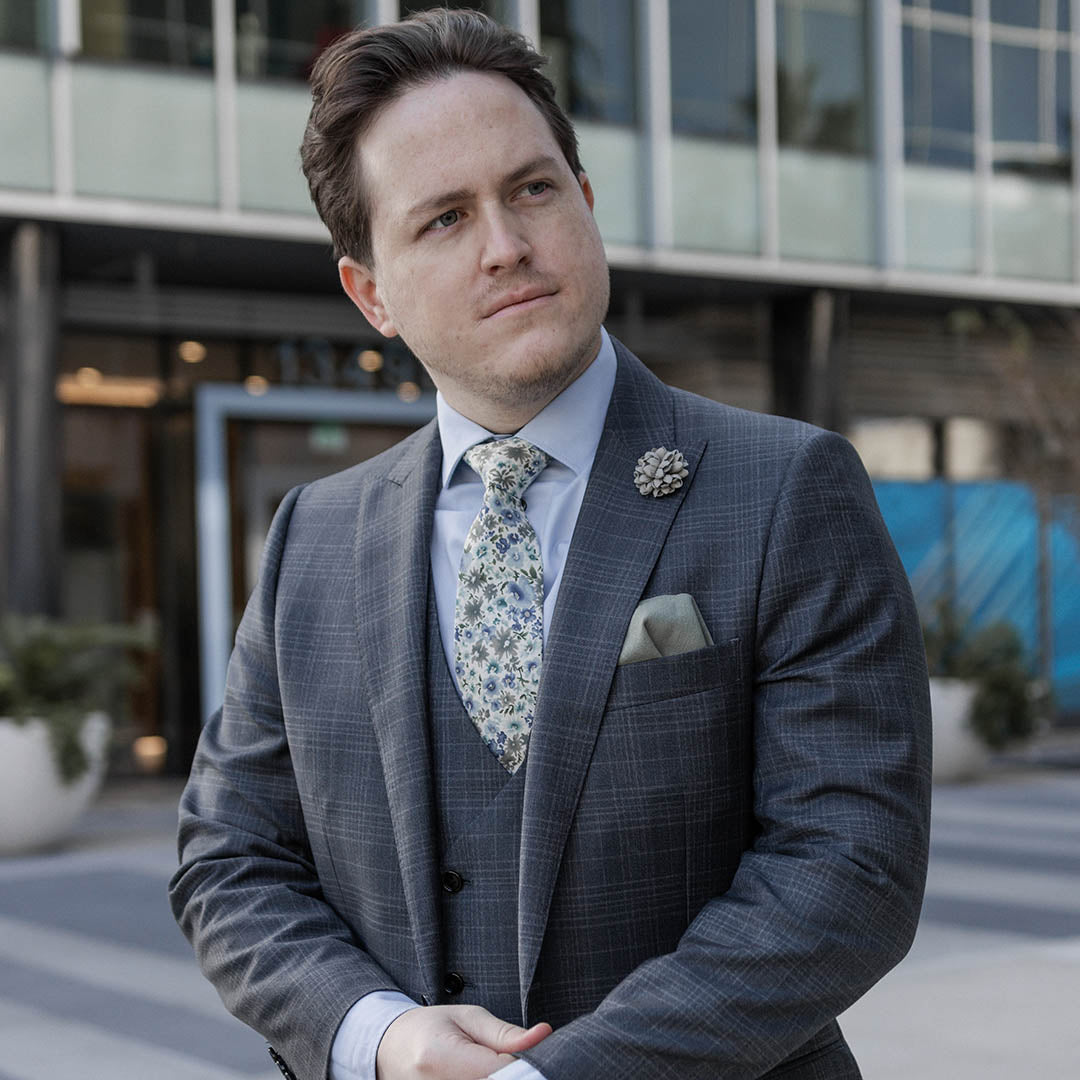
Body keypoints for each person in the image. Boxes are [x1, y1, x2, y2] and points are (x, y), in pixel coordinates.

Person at [169, 10, 932, 1080]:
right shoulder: (314, 540)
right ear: (370, 291)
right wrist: (380, 1034)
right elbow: (229, 857)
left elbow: (850, 868)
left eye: (532, 188)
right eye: (442, 219)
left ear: (586, 199)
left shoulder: (787, 489)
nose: (507, 246)